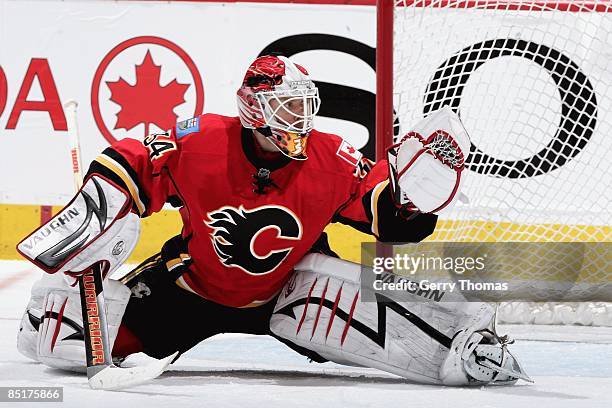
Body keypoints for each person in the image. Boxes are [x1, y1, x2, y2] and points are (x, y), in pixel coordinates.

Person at [15, 55, 529, 386]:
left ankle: (474, 350)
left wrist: (409, 204)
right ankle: (45, 320)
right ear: (252, 109)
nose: (297, 121)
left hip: (294, 293)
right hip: (189, 290)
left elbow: (380, 213)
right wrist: (100, 202)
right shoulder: (200, 141)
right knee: (55, 339)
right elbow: (134, 160)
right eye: (284, 108)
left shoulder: (332, 157)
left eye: (302, 108)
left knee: (388, 334)